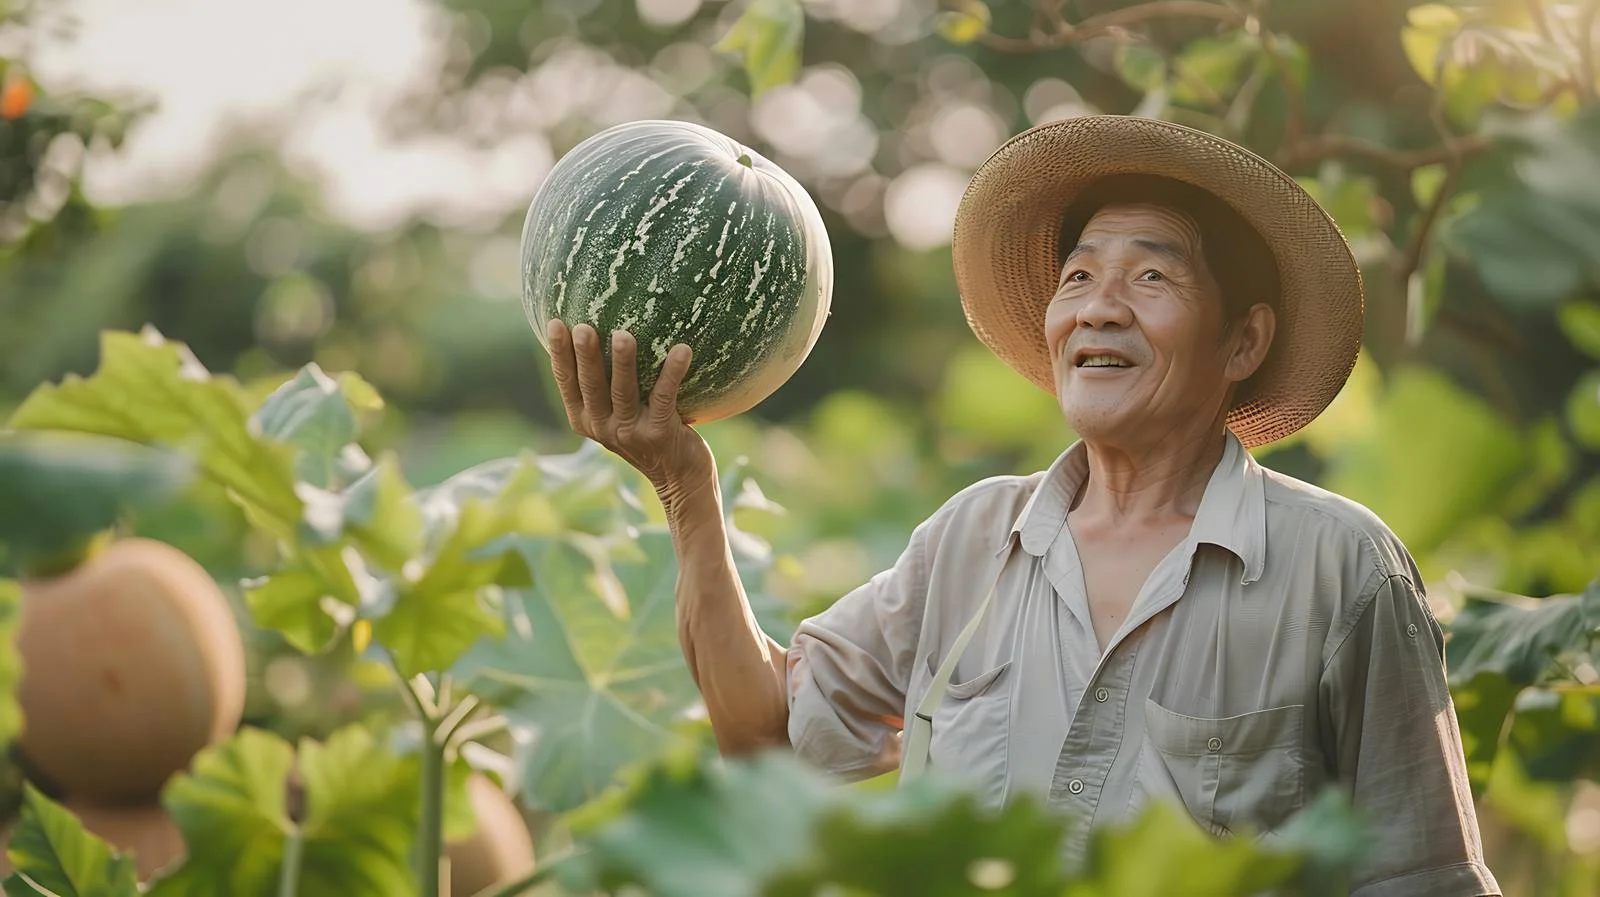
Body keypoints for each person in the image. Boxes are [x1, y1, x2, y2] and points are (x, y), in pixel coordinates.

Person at [543, 114, 1501, 896]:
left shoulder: (1341, 570)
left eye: (1152, 276)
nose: (1098, 306)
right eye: (1079, 275)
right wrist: (685, 486)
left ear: (1244, 341)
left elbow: (1423, 878)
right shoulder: (970, 540)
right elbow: (769, 741)